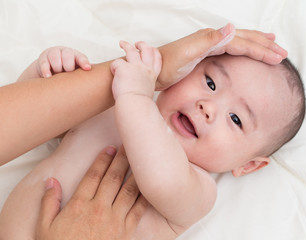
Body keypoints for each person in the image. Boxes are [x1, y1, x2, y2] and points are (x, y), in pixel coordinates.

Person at [0, 24, 291, 239]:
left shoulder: (199, 188)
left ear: (249, 164)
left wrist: (136, 96)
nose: (208, 107)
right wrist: (47, 72)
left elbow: (161, 180)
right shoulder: (112, 107)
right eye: (211, 83)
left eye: (236, 119)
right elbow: (36, 121)